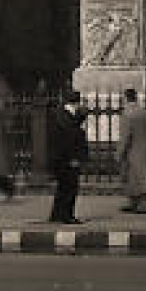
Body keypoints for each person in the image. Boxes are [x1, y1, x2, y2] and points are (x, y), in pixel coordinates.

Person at [47, 91, 89, 223]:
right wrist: (74, 158)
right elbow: (70, 137)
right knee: (70, 188)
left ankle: (57, 215)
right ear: (75, 103)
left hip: (61, 158)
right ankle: (67, 215)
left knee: (63, 188)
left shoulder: (63, 114)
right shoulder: (66, 116)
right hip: (67, 158)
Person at [117, 87, 146, 214]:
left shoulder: (127, 114)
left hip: (132, 150)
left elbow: (125, 136)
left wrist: (119, 152)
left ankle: (145, 205)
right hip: (145, 148)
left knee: (134, 178)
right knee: (140, 177)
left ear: (125, 98)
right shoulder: (145, 112)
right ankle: (134, 203)